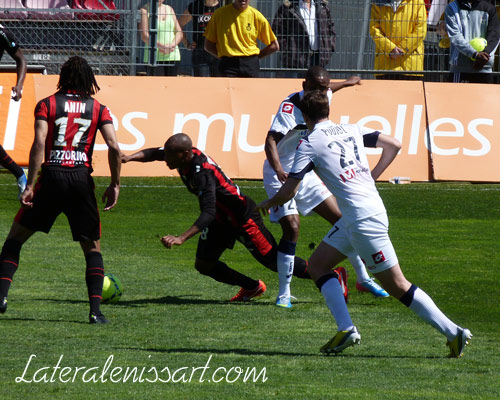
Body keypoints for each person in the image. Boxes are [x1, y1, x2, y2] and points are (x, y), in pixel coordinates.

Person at [257, 90, 472, 358]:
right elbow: (393, 144)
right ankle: (346, 329)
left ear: (305, 116)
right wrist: (372, 176)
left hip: (363, 221)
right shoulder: (351, 128)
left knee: (397, 285)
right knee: (318, 265)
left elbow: (290, 189)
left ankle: (454, 332)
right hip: (359, 214)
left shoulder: (309, 143)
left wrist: (270, 202)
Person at [121, 133, 347, 302]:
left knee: (274, 261)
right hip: (221, 220)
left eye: (171, 156)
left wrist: (181, 238)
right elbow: (155, 153)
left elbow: (208, 212)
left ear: (186, 154)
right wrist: (130, 158)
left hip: (242, 218)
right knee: (204, 264)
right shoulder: (181, 155)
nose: (166, 160)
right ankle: (251, 286)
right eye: (168, 154)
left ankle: (331, 275)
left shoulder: (202, 174)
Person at [0, 56, 121, 324]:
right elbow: (114, 146)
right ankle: (95, 312)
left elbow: (39, 142)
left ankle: (1, 296)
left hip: (51, 177)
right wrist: (115, 183)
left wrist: (30, 184)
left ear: (62, 76)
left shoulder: (47, 104)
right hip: (81, 179)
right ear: (89, 79)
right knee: (92, 249)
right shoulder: (99, 108)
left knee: (15, 239)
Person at [264, 66, 388, 309]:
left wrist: (348, 82)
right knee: (292, 228)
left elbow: (331, 89)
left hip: (306, 168)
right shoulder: (289, 107)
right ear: (304, 85)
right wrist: (278, 169)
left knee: (343, 220)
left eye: (324, 88)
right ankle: (284, 293)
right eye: (316, 87)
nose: (321, 92)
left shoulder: (322, 94)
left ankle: (363, 279)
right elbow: (270, 140)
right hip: (281, 172)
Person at [203, 0, 280, 77]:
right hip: (228, 66)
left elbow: (274, 45)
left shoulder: (256, 16)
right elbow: (208, 45)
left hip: (250, 65)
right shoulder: (219, 14)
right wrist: (222, 55)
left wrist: (255, 58)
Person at [272, 0, 336, 78]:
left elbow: (331, 29)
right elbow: (277, 31)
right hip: (295, 60)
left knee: (317, 85)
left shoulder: (323, 6)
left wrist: (329, 48)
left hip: (318, 58)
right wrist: (287, 50)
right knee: (293, 84)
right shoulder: (288, 7)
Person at [0, 24, 27, 198]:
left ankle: (20, 174)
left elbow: (21, 60)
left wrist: (19, 86)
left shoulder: (2, 33)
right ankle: (19, 174)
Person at [369, 0, 427, 80]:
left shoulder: (417, 2)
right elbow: (374, 29)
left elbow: (420, 31)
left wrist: (401, 49)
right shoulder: (378, 3)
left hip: (410, 66)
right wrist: (390, 49)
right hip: (385, 66)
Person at [445, 0, 500, 83]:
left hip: (484, 68)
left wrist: (484, 55)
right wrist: (474, 54)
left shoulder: (490, 8)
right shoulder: (452, 8)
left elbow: (494, 35)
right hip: (460, 68)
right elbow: (455, 36)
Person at [178, 0, 222, 77]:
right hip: (200, 50)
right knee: (201, 81)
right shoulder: (196, 6)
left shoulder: (222, 6)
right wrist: (187, 44)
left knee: (219, 81)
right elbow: (179, 24)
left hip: (218, 50)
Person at [139, 0, 183, 76]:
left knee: (172, 83)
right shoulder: (144, 10)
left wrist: (172, 45)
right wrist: (162, 47)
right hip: (153, 57)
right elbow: (144, 36)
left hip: (173, 56)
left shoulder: (169, 9)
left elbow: (179, 32)